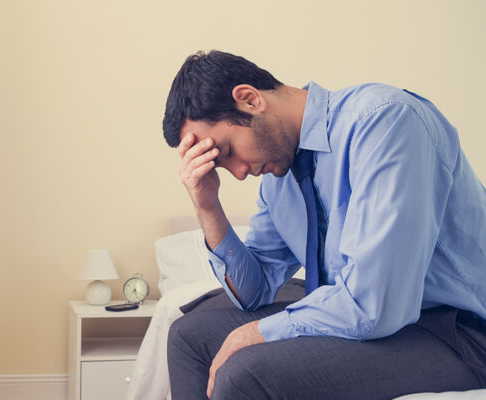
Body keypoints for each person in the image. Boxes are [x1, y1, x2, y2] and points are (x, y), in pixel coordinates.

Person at [162, 50, 486, 400]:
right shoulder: (280, 176)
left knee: (246, 375)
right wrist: (208, 206)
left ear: (249, 99)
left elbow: (374, 305)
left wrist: (259, 332)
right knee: (187, 337)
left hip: (455, 331)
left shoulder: (385, 122)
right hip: (375, 317)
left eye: (226, 152)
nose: (239, 173)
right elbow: (254, 292)